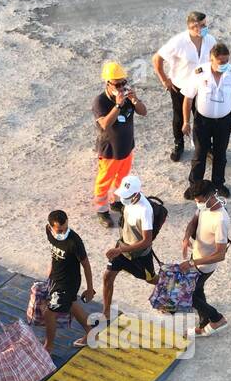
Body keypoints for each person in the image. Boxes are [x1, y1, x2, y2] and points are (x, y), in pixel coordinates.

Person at [181, 43, 231, 197]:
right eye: (221, 62)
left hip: (223, 122)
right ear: (211, 59)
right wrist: (186, 121)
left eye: (226, 61)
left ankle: (218, 185)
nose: (224, 65)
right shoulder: (199, 73)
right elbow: (188, 98)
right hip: (202, 121)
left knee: (220, 155)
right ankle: (195, 186)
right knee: (199, 155)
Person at [153, 11, 214, 163]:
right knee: (179, 118)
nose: (202, 28)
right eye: (199, 26)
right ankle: (179, 144)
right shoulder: (178, 42)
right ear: (191, 27)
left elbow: (213, 61)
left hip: (200, 87)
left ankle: (205, 146)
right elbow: (157, 58)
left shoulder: (210, 40)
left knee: (202, 118)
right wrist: (164, 80)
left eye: (204, 25)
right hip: (180, 86)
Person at [92, 61, 146, 228]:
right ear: (108, 84)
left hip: (126, 148)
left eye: (124, 82)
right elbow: (105, 124)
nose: (122, 87)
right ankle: (102, 210)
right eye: (117, 84)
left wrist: (135, 100)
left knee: (122, 179)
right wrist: (118, 105)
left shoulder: (128, 97)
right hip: (109, 151)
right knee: (104, 181)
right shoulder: (100, 101)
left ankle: (116, 201)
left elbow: (143, 112)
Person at [101, 174, 158, 320]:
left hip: (139, 255)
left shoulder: (145, 210)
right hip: (122, 246)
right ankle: (105, 313)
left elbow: (146, 241)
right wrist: (120, 248)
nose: (122, 199)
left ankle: (171, 287)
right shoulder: (128, 203)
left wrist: (120, 249)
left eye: (126, 196)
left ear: (136, 194)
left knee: (151, 279)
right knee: (108, 277)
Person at [181, 180, 231, 336]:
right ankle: (204, 322)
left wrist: (192, 263)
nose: (198, 204)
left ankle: (217, 318)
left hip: (204, 265)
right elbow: (193, 222)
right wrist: (186, 238)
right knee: (197, 291)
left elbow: (220, 254)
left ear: (210, 197)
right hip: (196, 256)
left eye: (199, 201)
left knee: (188, 295)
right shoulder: (204, 207)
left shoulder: (221, 220)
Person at [43, 209, 96, 349]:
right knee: (72, 305)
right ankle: (91, 333)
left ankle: (48, 347)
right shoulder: (48, 232)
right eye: (59, 230)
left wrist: (90, 289)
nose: (63, 233)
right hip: (56, 277)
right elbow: (54, 251)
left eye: (65, 228)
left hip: (69, 282)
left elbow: (86, 265)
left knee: (49, 314)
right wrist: (51, 269)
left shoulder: (75, 242)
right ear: (50, 227)